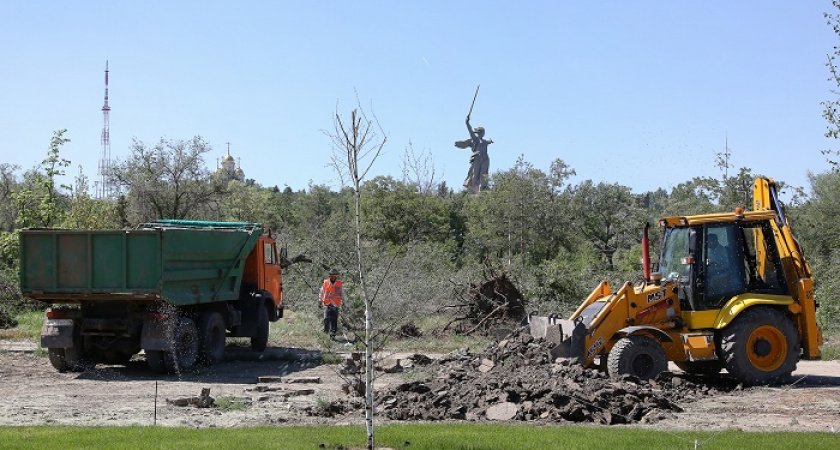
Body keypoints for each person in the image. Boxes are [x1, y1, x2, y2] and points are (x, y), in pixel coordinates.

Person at [454, 116, 493, 194]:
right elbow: (470, 132)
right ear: (479, 133)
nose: (482, 134)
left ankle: (482, 191)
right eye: (481, 132)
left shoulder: (485, 141)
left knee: (484, 175)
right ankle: (473, 190)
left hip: (485, 159)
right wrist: (467, 123)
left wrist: (490, 141)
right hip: (477, 158)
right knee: (475, 175)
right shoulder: (475, 139)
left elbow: (488, 141)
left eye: (483, 132)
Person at [319, 268, 344, 339]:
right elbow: (322, 291)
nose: (332, 276)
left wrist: (344, 302)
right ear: (329, 275)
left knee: (334, 320)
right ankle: (325, 333)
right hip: (327, 303)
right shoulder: (326, 282)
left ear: (336, 275)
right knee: (326, 319)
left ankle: (333, 335)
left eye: (334, 275)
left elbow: (342, 293)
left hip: (335, 304)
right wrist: (319, 300)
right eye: (331, 275)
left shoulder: (339, 283)